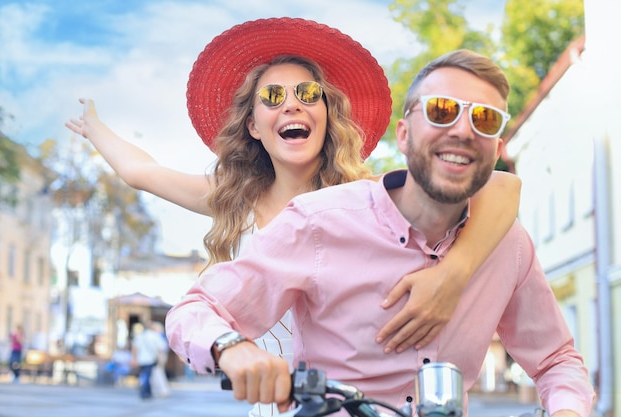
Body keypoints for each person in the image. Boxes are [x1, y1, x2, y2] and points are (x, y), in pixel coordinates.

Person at [67, 17, 520, 416]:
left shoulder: (367, 199)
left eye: (308, 93)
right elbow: (140, 171)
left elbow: (503, 186)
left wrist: (455, 275)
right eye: (272, 96)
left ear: (327, 114)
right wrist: (95, 127)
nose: (292, 104)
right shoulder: (232, 200)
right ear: (253, 125)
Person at [165, 49, 595, 417]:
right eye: (442, 111)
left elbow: (556, 359)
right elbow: (196, 309)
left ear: (497, 149)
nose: (463, 130)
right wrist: (232, 348)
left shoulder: (508, 245)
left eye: (484, 120)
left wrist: (568, 409)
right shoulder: (318, 222)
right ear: (404, 136)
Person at [131, 321, 167, 400]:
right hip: (150, 359)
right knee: (147, 375)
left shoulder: (140, 336)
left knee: (145, 375)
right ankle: (145, 392)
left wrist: (134, 358)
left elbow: (135, 348)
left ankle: (147, 391)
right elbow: (161, 347)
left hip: (141, 359)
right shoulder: (155, 336)